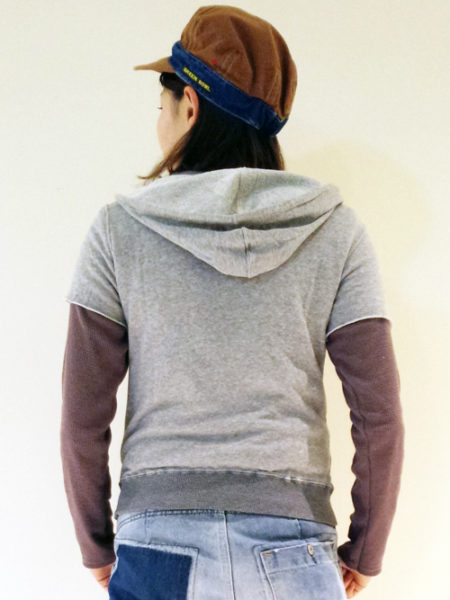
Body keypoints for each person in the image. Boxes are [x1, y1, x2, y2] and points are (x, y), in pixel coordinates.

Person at [60, 5, 404, 599]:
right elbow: (379, 416)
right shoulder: (337, 232)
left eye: (162, 106)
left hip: (158, 543)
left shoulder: (117, 231)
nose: (160, 121)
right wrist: (366, 548)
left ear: (190, 106)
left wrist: (96, 545)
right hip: (294, 544)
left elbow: (81, 416)